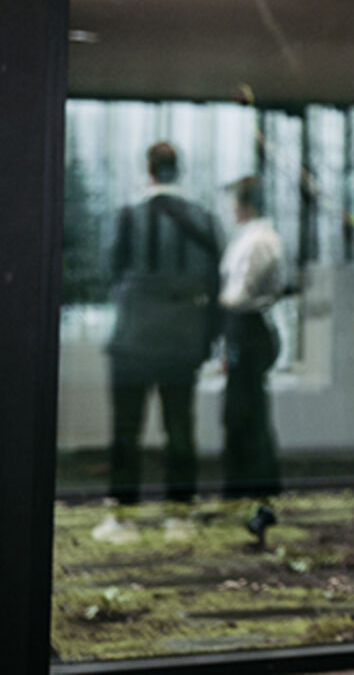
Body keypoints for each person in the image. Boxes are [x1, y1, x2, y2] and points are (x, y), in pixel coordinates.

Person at [95, 142, 222, 543]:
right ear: (177, 170)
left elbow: (108, 272)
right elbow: (217, 283)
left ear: (149, 169)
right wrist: (207, 340)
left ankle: (123, 518)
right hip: (181, 342)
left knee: (126, 429)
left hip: (132, 341)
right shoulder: (203, 220)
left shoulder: (128, 218)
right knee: (180, 428)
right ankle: (178, 517)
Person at [218, 175, 285, 543]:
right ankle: (249, 494)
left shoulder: (259, 240)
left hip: (249, 329)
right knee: (241, 414)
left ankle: (261, 497)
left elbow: (239, 294)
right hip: (244, 330)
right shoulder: (252, 237)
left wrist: (213, 306)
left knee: (249, 414)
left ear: (245, 203)